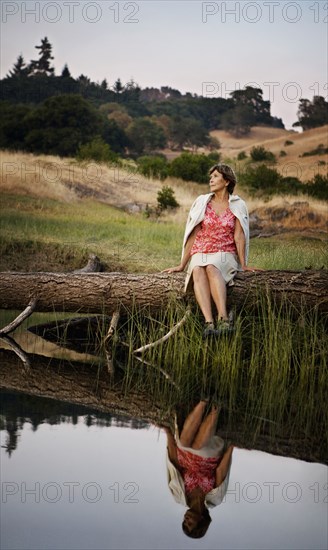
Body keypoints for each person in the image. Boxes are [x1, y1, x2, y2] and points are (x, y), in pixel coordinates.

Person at [163, 163, 259, 337]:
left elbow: (239, 236)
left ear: (227, 181)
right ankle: (209, 323)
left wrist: (244, 264)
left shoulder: (237, 204)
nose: (211, 180)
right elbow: (193, 233)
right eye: (211, 176)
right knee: (198, 269)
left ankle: (223, 319)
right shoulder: (202, 202)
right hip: (201, 251)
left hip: (225, 253)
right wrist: (181, 264)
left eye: (215, 176)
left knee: (211, 267)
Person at [165, 400, 233, 539]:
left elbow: (173, 463)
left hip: (184, 453)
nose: (186, 519)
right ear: (201, 521)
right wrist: (232, 447)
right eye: (189, 523)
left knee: (183, 442)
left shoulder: (179, 496)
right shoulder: (214, 500)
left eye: (184, 522)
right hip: (210, 457)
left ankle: (204, 401)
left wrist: (167, 432)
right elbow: (221, 471)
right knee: (197, 447)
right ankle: (215, 407)